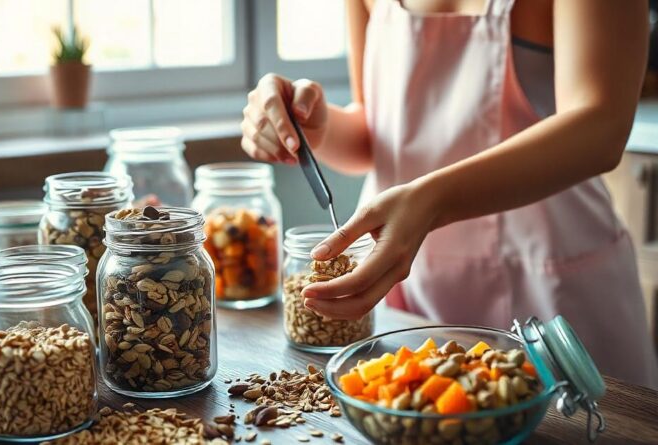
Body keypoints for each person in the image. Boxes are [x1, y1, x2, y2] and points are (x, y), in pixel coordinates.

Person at [240, 0, 658, 388]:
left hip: (553, 294)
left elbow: (600, 128)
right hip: (413, 295)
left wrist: (431, 200)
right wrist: (318, 126)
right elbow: (376, 134)